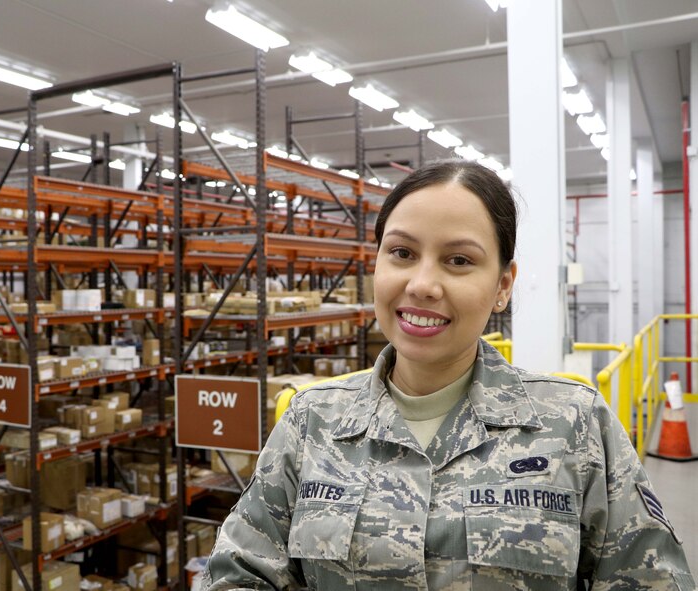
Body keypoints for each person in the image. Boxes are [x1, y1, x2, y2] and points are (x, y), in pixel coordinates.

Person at [202, 160, 695, 590]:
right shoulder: (311, 421)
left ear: (503, 285)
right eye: (402, 253)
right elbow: (236, 574)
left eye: (459, 261)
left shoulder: (575, 424)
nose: (422, 285)